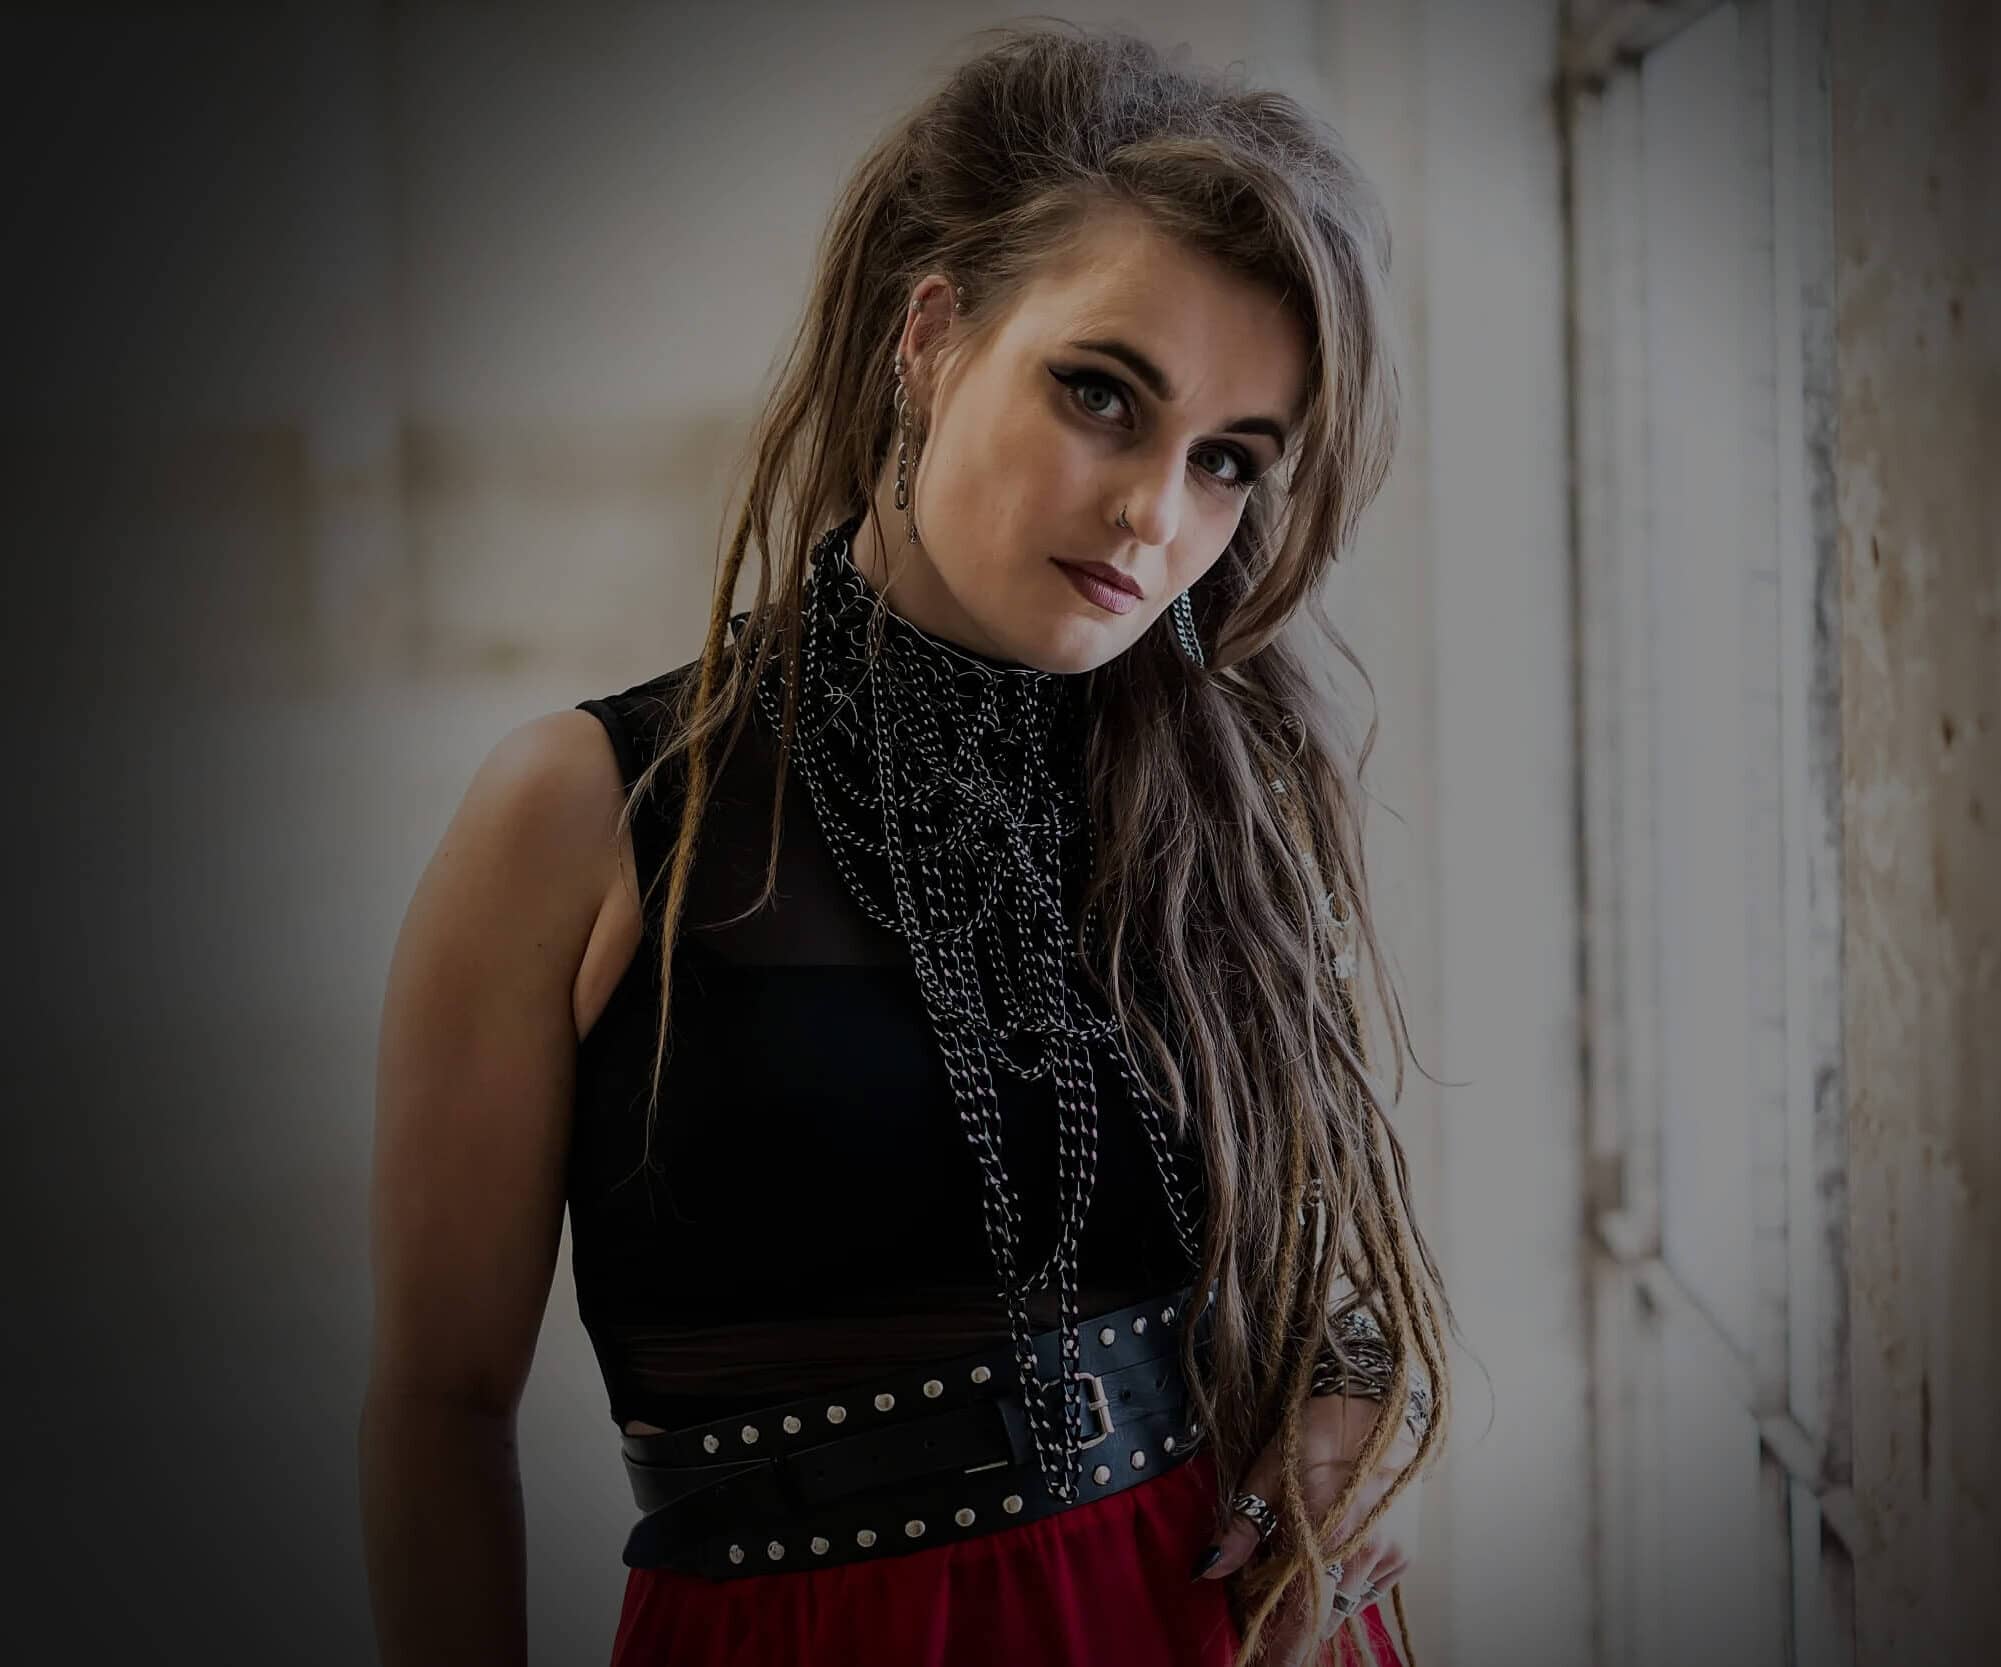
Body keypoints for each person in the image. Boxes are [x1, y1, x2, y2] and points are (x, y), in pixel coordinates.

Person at [360, 23, 1453, 1667]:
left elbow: (1293, 1271)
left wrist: (1354, 1399)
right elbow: (440, 1405)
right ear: (931, 338)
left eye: (1227, 461)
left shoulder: (1215, 805)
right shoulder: (582, 809)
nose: (1157, 513)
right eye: (1101, 394)